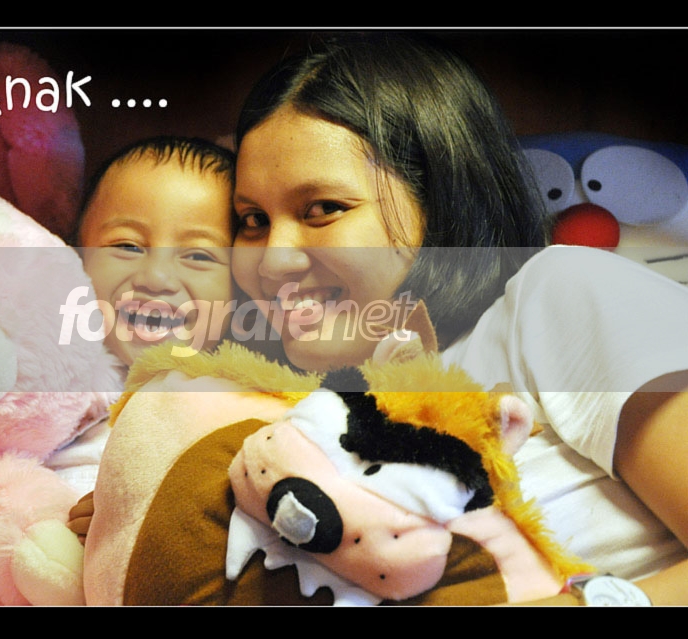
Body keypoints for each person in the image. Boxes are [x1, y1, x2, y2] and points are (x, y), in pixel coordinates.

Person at [228, 31, 688, 605]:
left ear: (443, 200)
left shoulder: (555, 294)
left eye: (323, 209)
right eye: (251, 220)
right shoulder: (304, 412)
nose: (272, 260)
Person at [48, 135, 237, 495]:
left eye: (199, 256)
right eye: (127, 246)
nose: (156, 278)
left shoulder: (239, 403)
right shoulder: (45, 377)